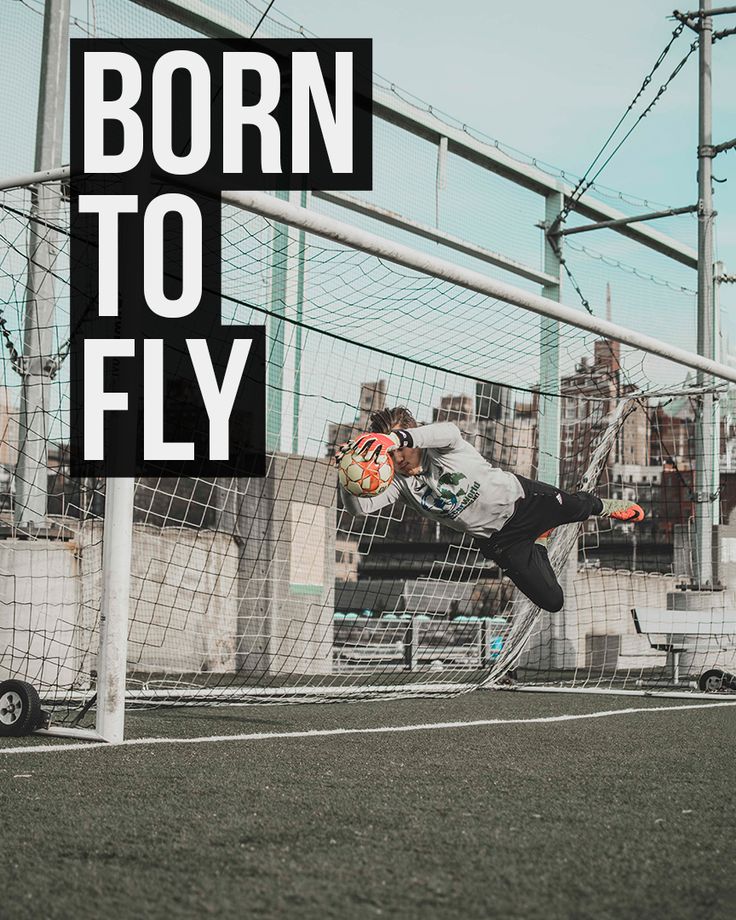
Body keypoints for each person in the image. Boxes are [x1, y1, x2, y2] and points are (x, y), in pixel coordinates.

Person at [335, 406, 644, 613]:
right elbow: (359, 509)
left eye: (402, 444)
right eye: (391, 451)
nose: (398, 454)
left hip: (524, 501)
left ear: (413, 437)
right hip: (501, 541)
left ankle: (605, 506)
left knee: (579, 506)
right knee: (552, 601)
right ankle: (540, 541)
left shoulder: (443, 448)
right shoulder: (401, 486)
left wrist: (393, 437)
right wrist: (347, 477)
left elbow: (450, 430)